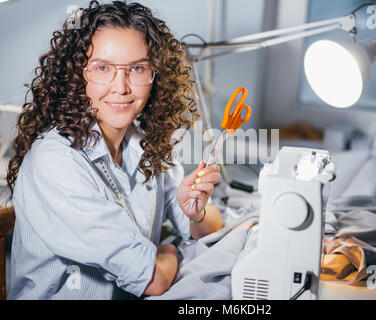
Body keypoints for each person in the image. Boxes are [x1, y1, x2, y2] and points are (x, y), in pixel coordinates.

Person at [5, 0, 223, 300]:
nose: (120, 87)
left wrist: (195, 212)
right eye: (102, 68)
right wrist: (170, 250)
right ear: (76, 74)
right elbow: (153, 281)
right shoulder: (55, 160)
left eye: (137, 68)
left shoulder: (145, 143)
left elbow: (209, 231)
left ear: (155, 75)